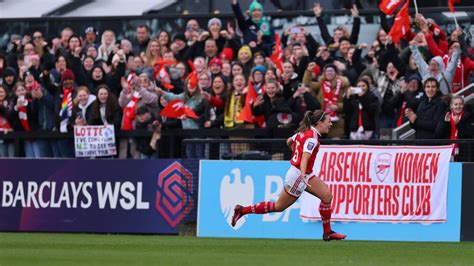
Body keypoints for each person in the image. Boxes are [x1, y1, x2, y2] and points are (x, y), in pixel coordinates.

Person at [232, 110, 346, 241]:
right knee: (279, 206)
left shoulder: (303, 132)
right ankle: (242, 210)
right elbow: (304, 158)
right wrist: (302, 174)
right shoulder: (312, 138)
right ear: (320, 123)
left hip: (303, 173)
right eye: (328, 121)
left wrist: (296, 153)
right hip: (299, 175)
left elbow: (288, 141)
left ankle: (328, 233)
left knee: (327, 195)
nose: (330, 124)